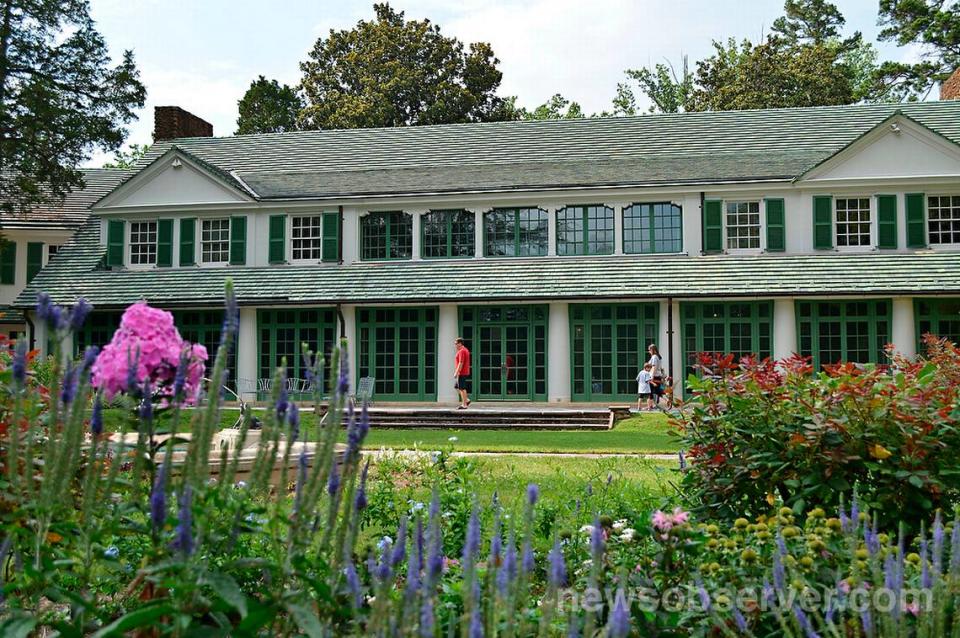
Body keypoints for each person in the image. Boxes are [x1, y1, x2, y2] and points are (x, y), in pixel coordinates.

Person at [454, 337, 471, 409]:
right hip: (463, 372)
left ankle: (464, 404)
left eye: (456, 343)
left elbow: (461, 362)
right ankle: (466, 400)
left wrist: (456, 372)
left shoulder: (462, 351)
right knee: (457, 386)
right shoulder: (465, 350)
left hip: (462, 372)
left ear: (460, 343)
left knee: (462, 388)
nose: (455, 345)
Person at [647, 344, 665, 408]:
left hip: (654, 376)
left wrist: (652, 376)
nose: (649, 351)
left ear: (652, 350)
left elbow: (654, 367)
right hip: (657, 375)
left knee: (652, 391)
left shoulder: (654, 357)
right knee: (656, 391)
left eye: (649, 350)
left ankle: (652, 405)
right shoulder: (657, 357)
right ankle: (652, 405)